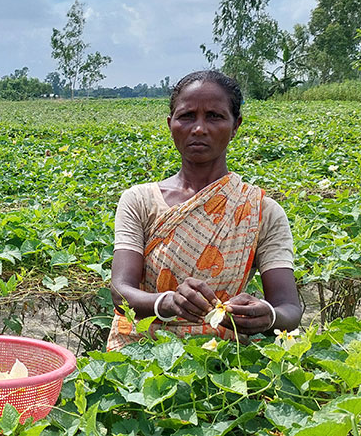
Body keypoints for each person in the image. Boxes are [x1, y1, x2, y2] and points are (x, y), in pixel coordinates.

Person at [107, 70, 301, 351]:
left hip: (220, 360)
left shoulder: (263, 211)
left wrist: (268, 316)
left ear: (236, 126)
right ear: (170, 123)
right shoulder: (139, 201)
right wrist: (168, 302)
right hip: (141, 354)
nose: (199, 128)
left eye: (215, 116)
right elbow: (120, 292)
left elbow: (289, 309)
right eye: (187, 116)